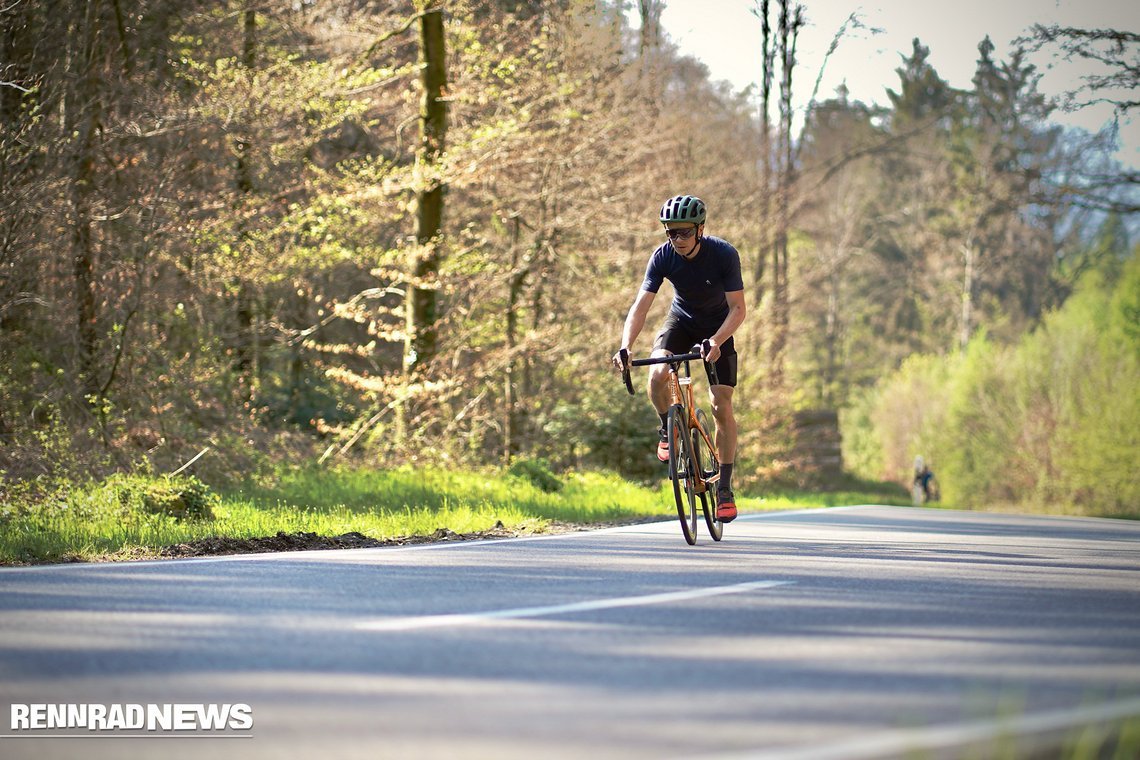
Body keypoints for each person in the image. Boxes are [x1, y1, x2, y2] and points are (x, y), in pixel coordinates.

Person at [612, 195, 746, 522]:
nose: (678, 240)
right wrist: (626, 345)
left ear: (700, 229)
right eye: (671, 233)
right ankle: (665, 428)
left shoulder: (724, 254)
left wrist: (716, 341)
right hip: (681, 323)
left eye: (684, 232)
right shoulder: (663, 257)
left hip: (718, 328)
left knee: (720, 404)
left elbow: (738, 309)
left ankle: (724, 487)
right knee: (657, 373)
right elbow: (640, 307)